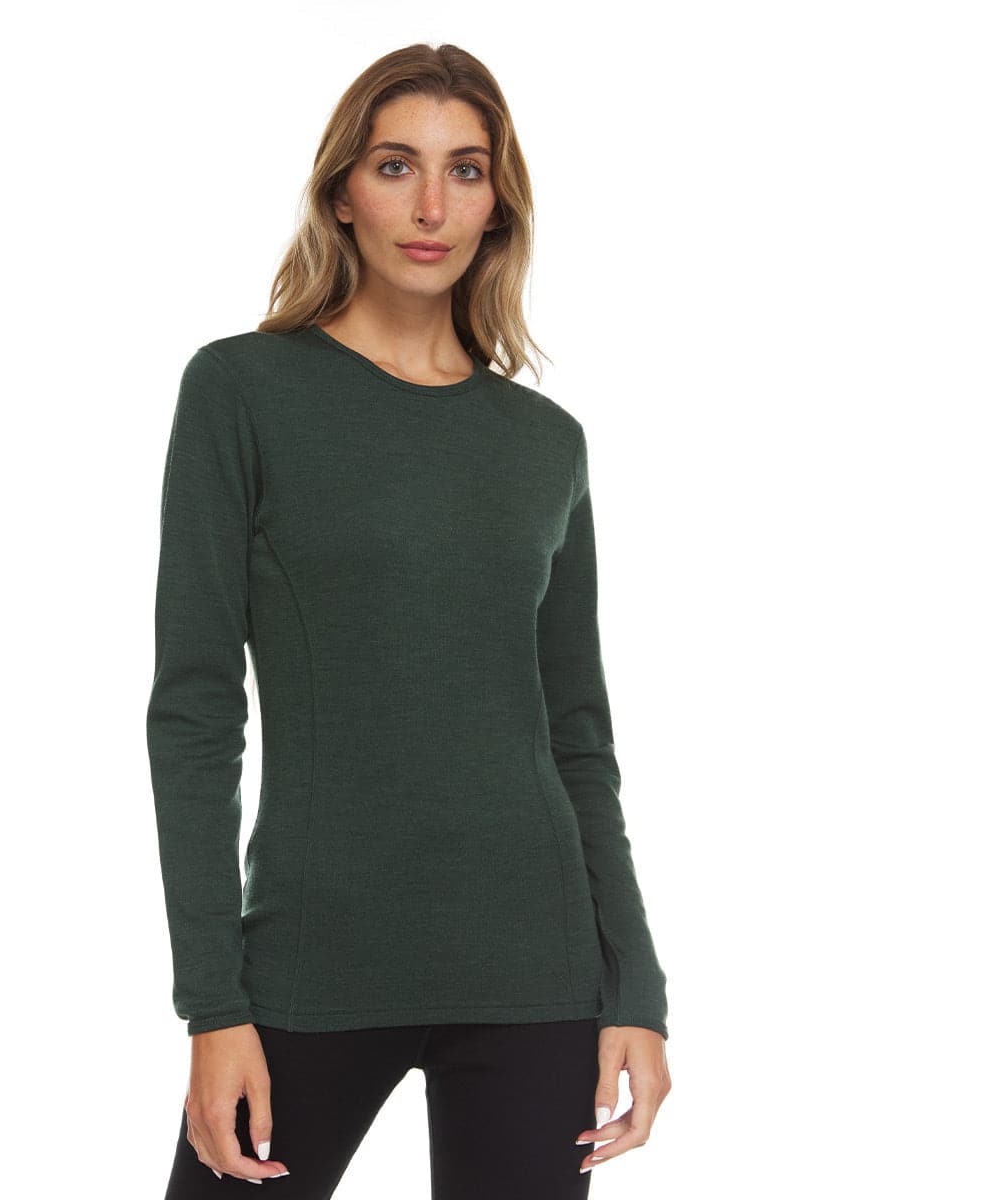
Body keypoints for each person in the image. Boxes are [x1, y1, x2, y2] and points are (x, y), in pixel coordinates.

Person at [146, 42, 672, 1198]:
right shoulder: (242, 393)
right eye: (396, 166)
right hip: (312, 963)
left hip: (537, 972)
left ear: (498, 203)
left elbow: (578, 738)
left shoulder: (545, 446)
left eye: (465, 170)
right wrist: (213, 1004)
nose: (431, 206)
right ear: (342, 192)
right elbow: (194, 714)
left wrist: (636, 988)